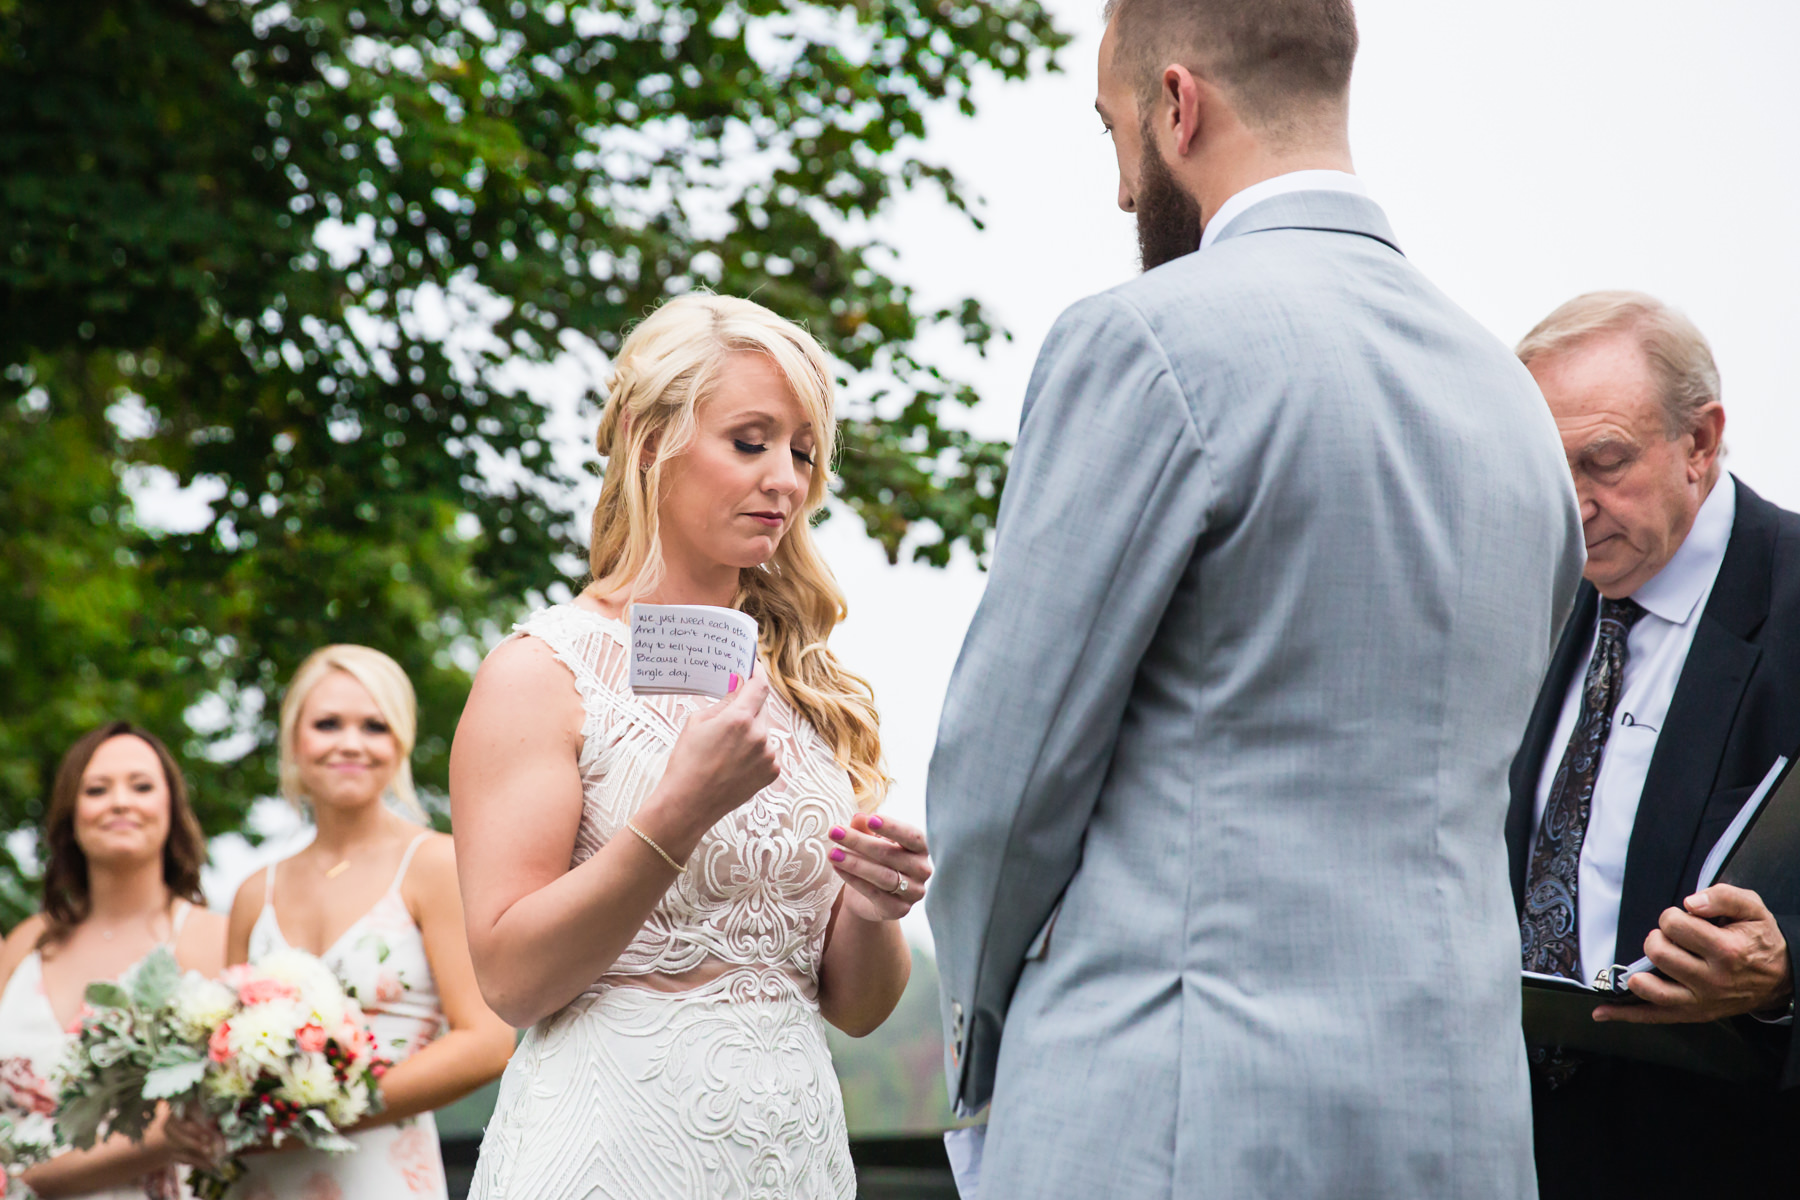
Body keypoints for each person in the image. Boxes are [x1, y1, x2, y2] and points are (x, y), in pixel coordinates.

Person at [923, 0, 1587, 1195]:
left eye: (1114, 130)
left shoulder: (1144, 343)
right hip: (1461, 1128)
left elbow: (1005, 783)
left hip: (1175, 1116)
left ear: (1178, 105)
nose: (1124, 190)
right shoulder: (1513, 403)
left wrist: (974, 1052)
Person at [451, 293, 930, 1199]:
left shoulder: (806, 686)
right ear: (646, 438)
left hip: (794, 1154)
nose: (784, 479)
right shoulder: (540, 671)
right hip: (611, 1147)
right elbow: (512, 981)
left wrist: (877, 905)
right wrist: (680, 811)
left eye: (802, 452)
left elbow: (857, 1009)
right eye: (750, 442)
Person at [1506, 291, 1800, 1198]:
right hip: (1517, 1147)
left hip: (1724, 1155)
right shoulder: (1529, 592)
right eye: (1545, 469)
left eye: (1604, 462)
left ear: (1701, 444)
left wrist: (1786, 971)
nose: (1573, 506)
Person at [200, 646, 512, 1199]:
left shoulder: (435, 865)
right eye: (327, 724)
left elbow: (486, 1041)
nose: (350, 743)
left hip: (379, 1173)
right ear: (295, 740)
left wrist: (322, 1109)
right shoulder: (254, 893)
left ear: (401, 742)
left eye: (375, 725)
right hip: (259, 1179)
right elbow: (225, 1051)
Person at [0, 721, 228, 1198]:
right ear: (70, 814)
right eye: (97, 789)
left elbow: (209, 1116)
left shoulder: (212, 938)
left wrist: (27, 1179)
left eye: (142, 786)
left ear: (171, 807)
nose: (120, 802)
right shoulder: (26, 943)